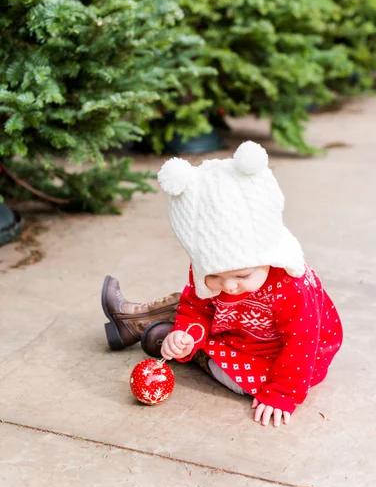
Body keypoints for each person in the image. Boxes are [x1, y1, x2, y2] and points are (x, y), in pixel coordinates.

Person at [102, 141, 343, 427]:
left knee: (238, 380)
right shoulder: (213, 265)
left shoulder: (291, 286)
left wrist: (283, 393)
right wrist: (188, 331)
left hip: (279, 356)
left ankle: (198, 354)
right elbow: (197, 306)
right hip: (240, 333)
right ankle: (166, 333)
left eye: (242, 276)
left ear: (268, 256)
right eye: (214, 277)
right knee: (191, 315)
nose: (228, 287)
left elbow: (301, 344)